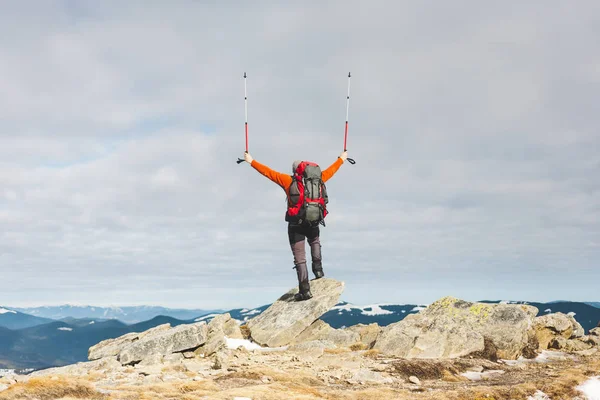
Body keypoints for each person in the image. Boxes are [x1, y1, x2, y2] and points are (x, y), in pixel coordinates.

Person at [243, 150, 348, 301]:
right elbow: (332, 169)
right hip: (313, 221)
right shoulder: (319, 180)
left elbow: (268, 173)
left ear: (296, 171)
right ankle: (318, 271)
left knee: (300, 258)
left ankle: (305, 290)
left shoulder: (288, 181)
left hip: (295, 225)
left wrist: (251, 161)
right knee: (315, 242)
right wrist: (342, 159)